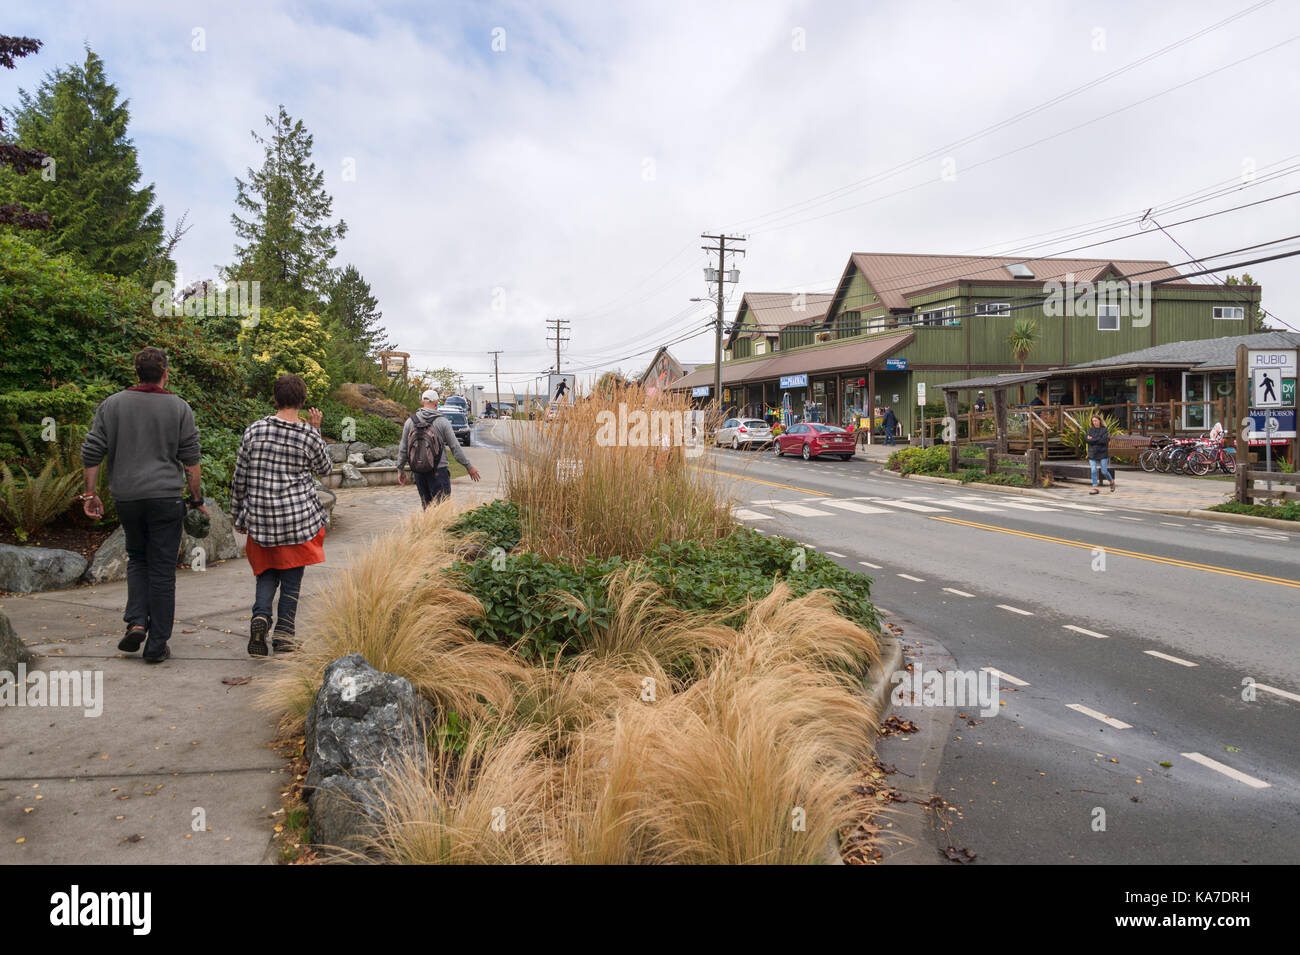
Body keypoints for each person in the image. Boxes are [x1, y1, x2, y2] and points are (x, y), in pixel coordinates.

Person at [80, 347, 205, 664]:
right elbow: (191, 460)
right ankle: (157, 644)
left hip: (128, 498)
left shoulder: (113, 405)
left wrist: (90, 494)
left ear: (136, 372)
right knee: (163, 569)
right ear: (166, 373)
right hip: (165, 498)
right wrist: (196, 499)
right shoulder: (179, 407)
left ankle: (136, 622)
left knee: (137, 558)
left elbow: (92, 451)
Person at [228, 374, 333, 656]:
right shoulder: (308, 435)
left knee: (266, 572)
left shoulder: (254, 431)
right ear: (302, 401)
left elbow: (240, 479)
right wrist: (316, 430)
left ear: (275, 398)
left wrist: (238, 514)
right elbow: (325, 469)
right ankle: (285, 635)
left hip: (262, 518)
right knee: (292, 577)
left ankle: (260, 617)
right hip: (297, 520)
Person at [398, 390, 481, 507]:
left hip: (418, 472)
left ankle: (428, 526)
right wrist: (468, 466)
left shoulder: (410, 422)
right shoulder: (442, 422)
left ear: (422, 402)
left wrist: (400, 469)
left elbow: (403, 448)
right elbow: (455, 447)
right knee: (443, 509)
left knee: (427, 507)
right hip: (438, 471)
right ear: (436, 403)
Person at [1085, 414, 1115, 494]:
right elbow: (1087, 440)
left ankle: (1111, 482)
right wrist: (1098, 439)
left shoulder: (1104, 429)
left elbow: (1104, 441)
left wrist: (1093, 439)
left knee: (1104, 471)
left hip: (1103, 453)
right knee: (1093, 470)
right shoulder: (1090, 430)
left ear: (1099, 421)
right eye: (1093, 421)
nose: (1094, 422)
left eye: (1096, 420)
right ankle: (1095, 488)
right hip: (1092, 453)